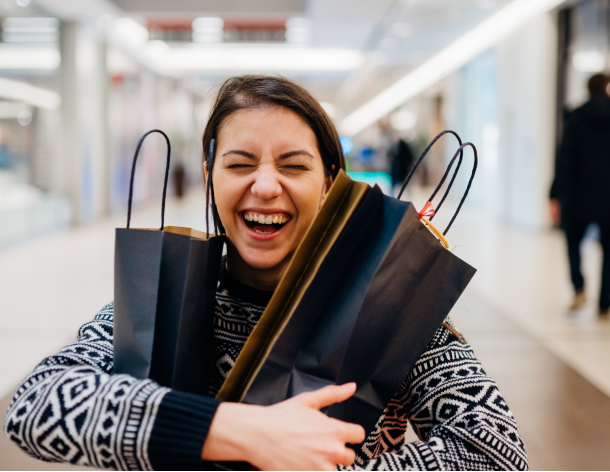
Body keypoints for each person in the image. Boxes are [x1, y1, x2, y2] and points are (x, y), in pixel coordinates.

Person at [4, 75, 528, 471]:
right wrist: (237, 431)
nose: (266, 186)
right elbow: (35, 405)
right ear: (210, 178)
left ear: (330, 183)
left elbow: (496, 450)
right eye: (239, 164)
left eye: (294, 166)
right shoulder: (160, 298)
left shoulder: (386, 307)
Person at [550, 73, 610, 318]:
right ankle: (604, 303)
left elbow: (564, 160)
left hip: (578, 195)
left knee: (572, 242)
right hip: (608, 197)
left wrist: (554, 195)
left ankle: (579, 289)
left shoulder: (575, 118)